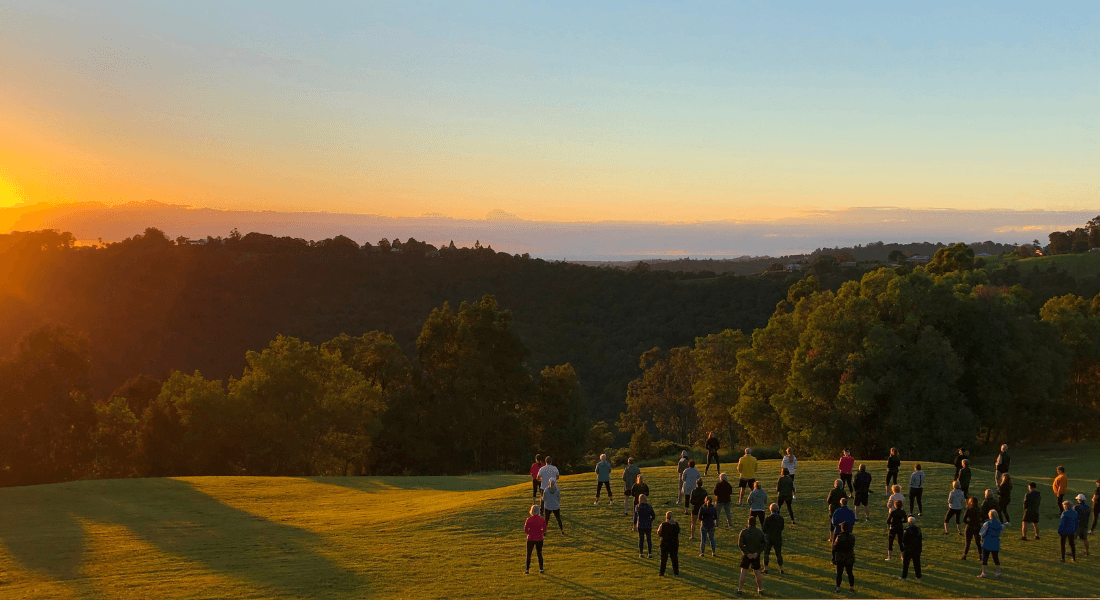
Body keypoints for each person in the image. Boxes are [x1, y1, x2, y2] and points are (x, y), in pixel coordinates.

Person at [737, 516, 767, 595]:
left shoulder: (744, 532)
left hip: (746, 555)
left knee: (743, 572)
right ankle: (759, 589)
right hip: (756, 555)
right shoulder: (759, 532)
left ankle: (740, 589)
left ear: (748, 523)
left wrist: (747, 553)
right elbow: (764, 543)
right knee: (757, 573)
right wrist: (757, 552)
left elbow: (740, 544)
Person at [832, 521, 856, 594]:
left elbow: (834, 548)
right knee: (850, 573)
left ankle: (838, 588)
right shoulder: (852, 537)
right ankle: (851, 588)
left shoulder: (839, 537)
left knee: (839, 573)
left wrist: (833, 558)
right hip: (850, 557)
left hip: (841, 557)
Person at [978, 509, 1003, 578]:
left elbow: (982, 532)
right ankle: (998, 572)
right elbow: (1000, 532)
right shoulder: (999, 523)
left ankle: (984, 573)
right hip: (995, 543)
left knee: (985, 558)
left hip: (987, 542)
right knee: (996, 558)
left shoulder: (987, 523)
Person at [524, 504, 548, 574]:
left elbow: (525, 529)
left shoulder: (529, 519)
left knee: (529, 554)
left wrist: (529, 532)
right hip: (539, 538)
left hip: (531, 538)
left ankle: (527, 570)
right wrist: (540, 532)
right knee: (539, 553)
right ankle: (541, 569)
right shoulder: (541, 519)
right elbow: (544, 529)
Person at [762, 503, 785, 575]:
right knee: (778, 553)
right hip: (778, 537)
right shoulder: (781, 518)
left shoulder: (768, 518)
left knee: (766, 553)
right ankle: (781, 569)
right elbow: (782, 528)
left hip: (769, 537)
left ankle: (765, 568)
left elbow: (764, 529)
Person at [899, 516, 923, 582]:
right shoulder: (918, 529)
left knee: (906, 564)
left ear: (909, 522)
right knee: (917, 563)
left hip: (908, 549)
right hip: (916, 549)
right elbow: (920, 540)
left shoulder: (906, 530)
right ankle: (918, 576)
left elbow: (903, 540)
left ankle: (904, 577)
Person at [657, 511, 681, 576]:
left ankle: (662, 572)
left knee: (663, 559)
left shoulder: (663, 524)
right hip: (674, 543)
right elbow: (678, 531)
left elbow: (658, 532)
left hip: (665, 543)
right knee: (674, 558)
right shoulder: (676, 524)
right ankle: (676, 572)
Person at [635, 493, 657, 558]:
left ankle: (641, 553)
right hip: (648, 524)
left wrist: (635, 524)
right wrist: (650, 520)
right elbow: (653, 515)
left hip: (640, 524)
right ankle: (649, 553)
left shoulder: (638, 507)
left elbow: (636, 516)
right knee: (649, 539)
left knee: (641, 539)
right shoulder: (649, 506)